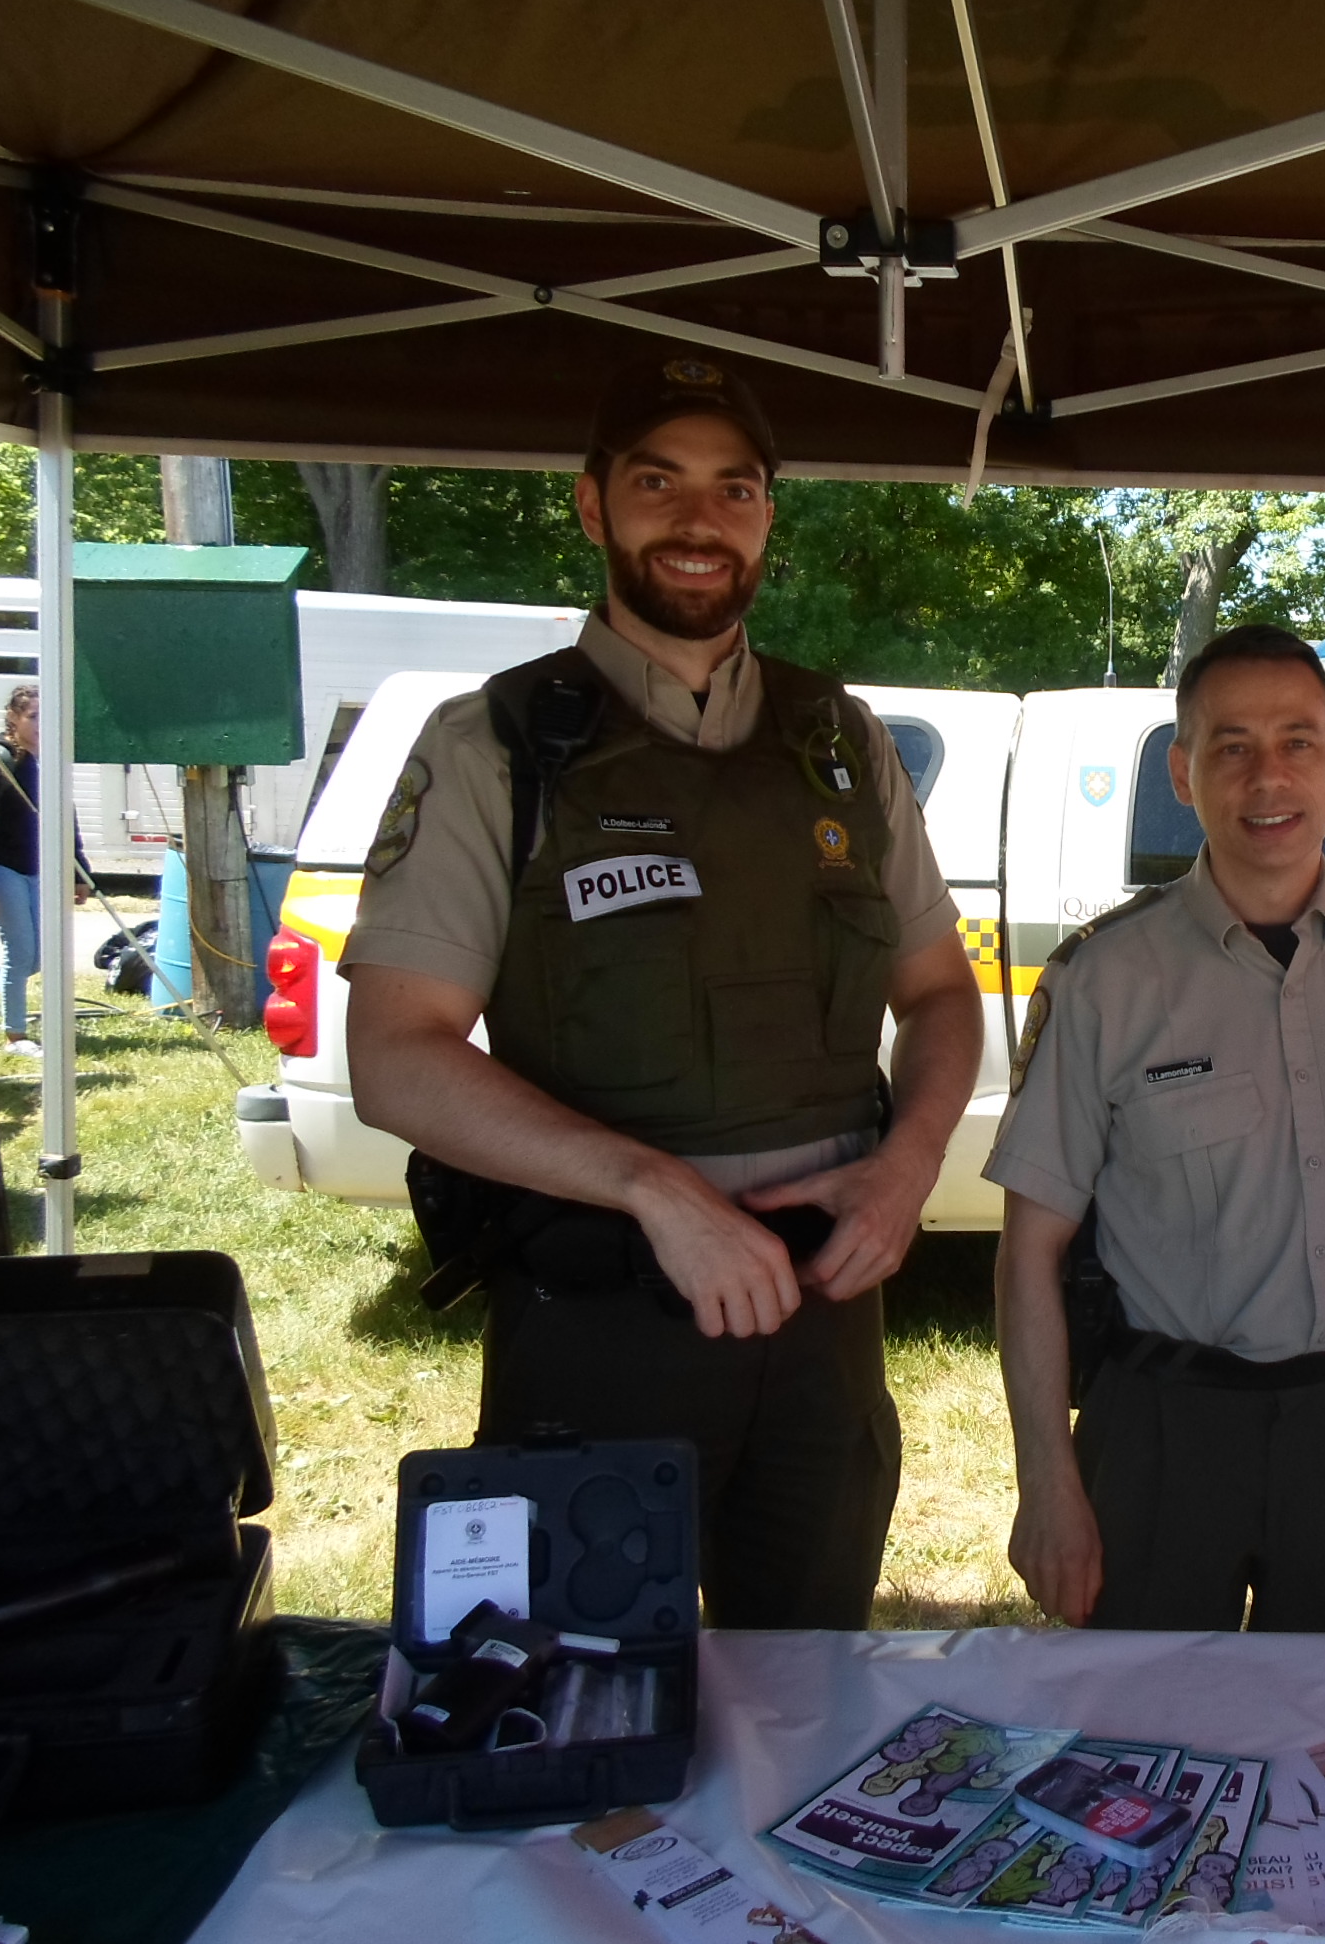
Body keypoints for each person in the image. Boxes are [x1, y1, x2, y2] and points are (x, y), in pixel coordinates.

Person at [343, 353, 982, 1628]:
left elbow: (943, 996)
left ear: (766, 518)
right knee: (576, 1695)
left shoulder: (840, 744)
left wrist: (909, 1167)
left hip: (823, 1327)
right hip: (601, 1322)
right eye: (658, 482)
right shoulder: (498, 746)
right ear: (594, 506)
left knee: (809, 1694)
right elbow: (396, 1055)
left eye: (733, 489)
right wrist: (656, 1189)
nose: (700, 520)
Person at [987, 625, 1325, 1632]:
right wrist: (1046, 1481)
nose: (1267, 777)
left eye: (1297, 742)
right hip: (1162, 1430)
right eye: (1230, 746)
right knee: (1143, 1717)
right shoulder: (1104, 980)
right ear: (1182, 773)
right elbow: (1029, 1252)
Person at [0, 685, 88, 1058]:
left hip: (40, 868)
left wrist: (79, 870)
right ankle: (15, 1036)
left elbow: (66, 817)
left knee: (39, 955)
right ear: (14, 718)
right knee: (20, 953)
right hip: (3, 868)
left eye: (48, 716)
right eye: (34, 716)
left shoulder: (49, 760)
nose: (42, 725)